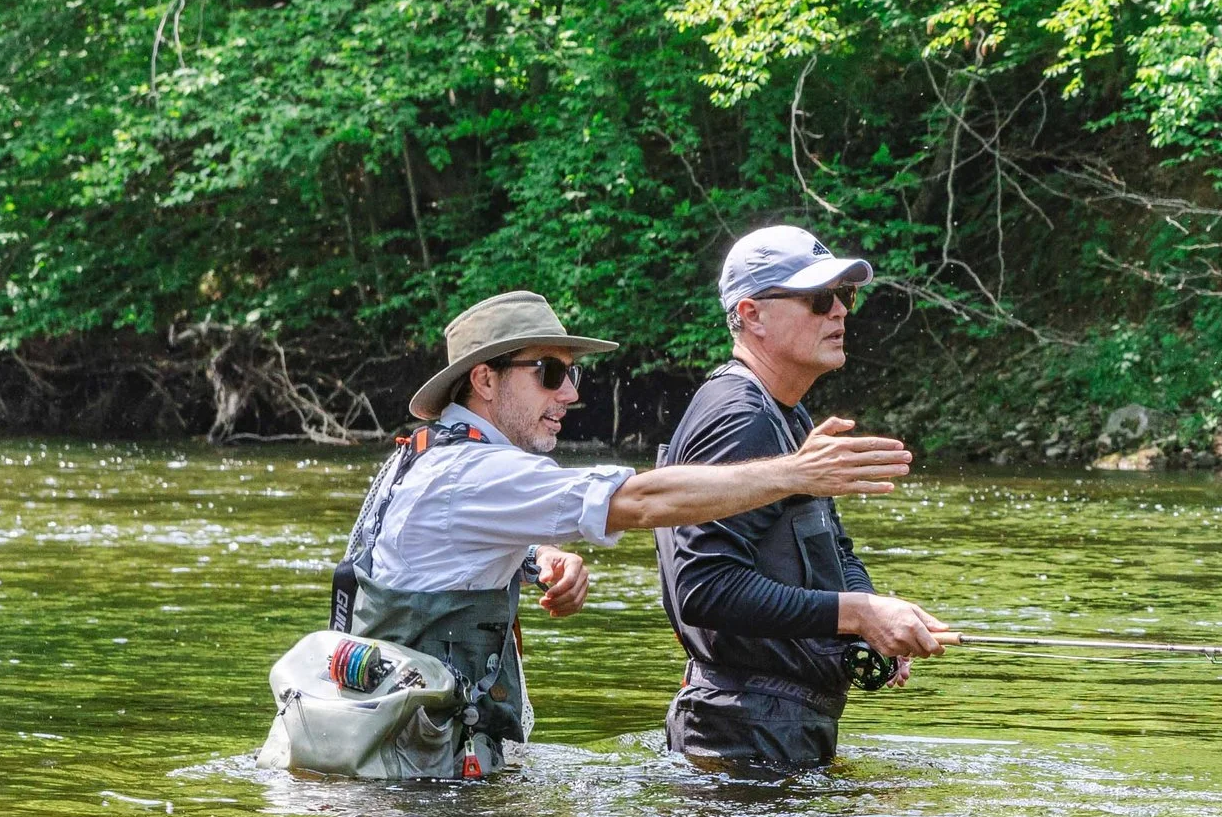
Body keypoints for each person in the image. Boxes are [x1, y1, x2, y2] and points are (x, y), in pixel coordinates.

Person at [334, 289, 915, 776]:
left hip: (387, 758)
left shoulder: (424, 457)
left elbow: (432, 548)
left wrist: (537, 557)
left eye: (572, 373)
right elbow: (639, 501)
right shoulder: (475, 472)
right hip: (413, 789)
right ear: (484, 379)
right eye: (551, 373)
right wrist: (794, 473)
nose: (570, 394)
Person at [656, 226, 954, 775]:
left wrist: (871, 630)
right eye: (819, 299)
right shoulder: (738, 416)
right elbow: (704, 587)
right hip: (740, 734)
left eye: (846, 296)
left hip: (773, 728)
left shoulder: (786, 415)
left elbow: (834, 550)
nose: (839, 312)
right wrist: (859, 615)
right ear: (752, 314)